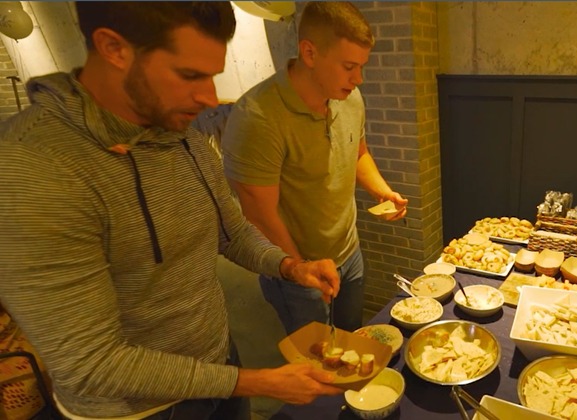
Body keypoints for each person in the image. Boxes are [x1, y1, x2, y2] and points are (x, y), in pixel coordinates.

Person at [0, 2, 343, 419]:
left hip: (218, 365)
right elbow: (90, 364)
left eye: (212, 75)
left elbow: (231, 231)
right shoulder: (33, 168)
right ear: (113, 47)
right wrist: (256, 381)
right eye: (189, 75)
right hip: (138, 410)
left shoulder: (183, 136)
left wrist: (290, 266)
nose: (209, 97)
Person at [222, 1, 408, 335]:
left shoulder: (349, 97)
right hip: (298, 265)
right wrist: (301, 271)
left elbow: (357, 153)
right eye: (349, 66)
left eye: (362, 66)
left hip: (349, 252)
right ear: (309, 53)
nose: (359, 78)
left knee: (351, 337)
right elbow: (259, 216)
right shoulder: (258, 117)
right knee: (318, 359)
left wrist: (383, 191)